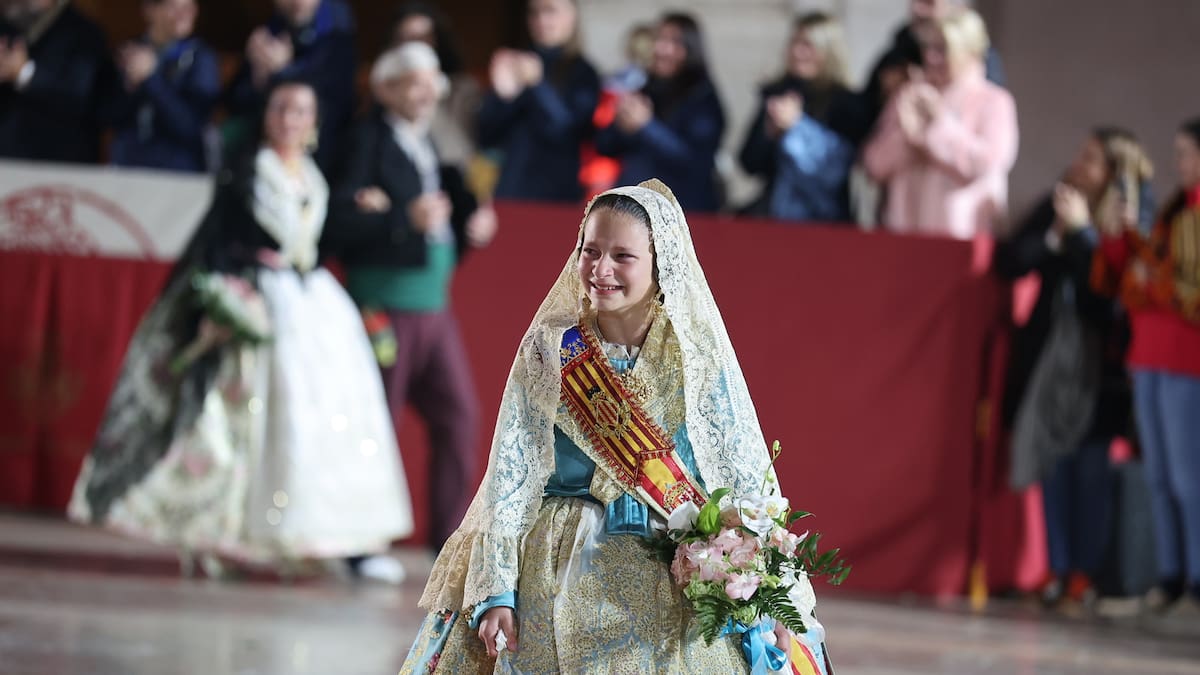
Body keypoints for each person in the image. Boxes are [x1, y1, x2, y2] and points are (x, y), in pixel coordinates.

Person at [399, 179, 833, 673]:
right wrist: (497, 589)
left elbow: (740, 470)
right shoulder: (550, 348)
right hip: (560, 561)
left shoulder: (696, 356)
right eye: (590, 251)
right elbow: (510, 475)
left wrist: (773, 591)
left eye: (622, 256)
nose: (600, 269)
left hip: (671, 565)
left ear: (660, 263)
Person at [67, 78, 413, 580]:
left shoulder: (313, 174)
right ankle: (229, 535)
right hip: (260, 297)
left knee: (330, 417)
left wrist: (373, 215)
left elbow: (320, 238)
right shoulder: (248, 169)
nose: (290, 119)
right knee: (248, 422)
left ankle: (340, 539)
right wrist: (219, 300)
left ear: (314, 122)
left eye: (301, 111)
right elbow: (219, 237)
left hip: (311, 301)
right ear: (266, 115)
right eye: (281, 108)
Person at [327, 43, 497, 550]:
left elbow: (445, 219)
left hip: (433, 309)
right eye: (414, 82)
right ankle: (359, 541)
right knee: (374, 422)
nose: (426, 93)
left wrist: (473, 226)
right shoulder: (364, 141)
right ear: (386, 89)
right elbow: (338, 223)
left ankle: (448, 543)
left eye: (431, 83)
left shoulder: (431, 144)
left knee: (459, 417)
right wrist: (401, 218)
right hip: (383, 306)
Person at [994, 128, 1154, 607]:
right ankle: (1057, 569)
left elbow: (1102, 301)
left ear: (1113, 172)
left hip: (1101, 373)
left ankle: (1085, 573)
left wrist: (1084, 236)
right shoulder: (1059, 205)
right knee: (1052, 466)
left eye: (1091, 159)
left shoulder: (1129, 223)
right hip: (1050, 365)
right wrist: (1056, 236)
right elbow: (1011, 261)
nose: (1079, 164)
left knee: (1089, 473)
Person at [1092, 117, 1200, 616]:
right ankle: (1170, 578)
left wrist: (1149, 278)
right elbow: (1137, 272)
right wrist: (1123, 236)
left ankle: (1195, 583)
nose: (1179, 162)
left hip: (1185, 358)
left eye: (1186, 152)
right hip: (1151, 355)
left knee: (1188, 477)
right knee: (1159, 475)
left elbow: (1179, 286)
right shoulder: (1177, 210)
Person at [861, 7, 1017, 239]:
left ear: (970, 51)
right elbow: (873, 164)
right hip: (902, 237)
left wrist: (936, 129)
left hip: (961, 239)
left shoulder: (993, 101)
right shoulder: (910, 96)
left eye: (942, 49)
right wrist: (908, 139)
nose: (931, 57)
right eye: (927, 47)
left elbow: (985, 164)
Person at [737, 12, 865, 222]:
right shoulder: (777, 93)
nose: (798, 52)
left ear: (828, 51)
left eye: (807, 45)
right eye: (794, 43)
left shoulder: (847, 103)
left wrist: (797, 127)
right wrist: (770, 134)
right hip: (776, 217)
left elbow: (835, 171)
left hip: (826, 222)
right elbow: (749, 163)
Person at [595, 13, 725, 213]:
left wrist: (646, 126)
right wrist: (621, 125)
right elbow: (604, 145)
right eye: (657, 39)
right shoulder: (644, 89)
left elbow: (693, 161)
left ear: (691, 48)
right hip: (635, 211)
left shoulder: (703, 99)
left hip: (683, 213)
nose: (660, 49)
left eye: (673, 42)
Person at [476, 0, 599, 203]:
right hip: (511, 191)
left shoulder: (584, 72)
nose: (541, 20)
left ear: (572, 15)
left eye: (551, 11)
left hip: (559, 194)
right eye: (534, 13)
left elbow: (568, 132)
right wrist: (502, 97)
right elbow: (486, 138)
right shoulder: (516, 64)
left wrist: (537, 85)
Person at [225, 0, 356, 170]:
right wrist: (258, 74)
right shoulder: (269, 34)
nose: (297, 2)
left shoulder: (336, 36)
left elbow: (333, 101)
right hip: (263, 150)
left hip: (322, 150)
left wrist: (284, 71)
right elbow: (234, 102)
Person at [109, 0, 220, 173]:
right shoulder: (130, 51)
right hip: (128, 167)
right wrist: (130, 87)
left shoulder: (201, 58)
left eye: (188, 7)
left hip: (177, 172)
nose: (183, 14)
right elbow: (108, 116)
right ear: (149, 10)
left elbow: (191, 127)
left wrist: (151, 79)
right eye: (173, 7)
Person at [0, 0, 118, 163]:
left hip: (61, 161)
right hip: (8, 158)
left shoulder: (85, 33)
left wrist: (24, 72)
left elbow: (80, 94)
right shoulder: (8, 26)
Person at [861, 0, 1005, 131]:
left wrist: (935, 121)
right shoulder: (900, 49)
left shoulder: (983, 68)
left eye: (928, 2)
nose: (917, 9)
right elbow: (865, 112)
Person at [387, 1, 481, 172]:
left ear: (437, 40)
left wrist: (430, 91)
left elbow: (463, 151)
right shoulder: (385, 89)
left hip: (453, 176)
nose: (414, 44)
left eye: (422, 37)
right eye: (405, 37)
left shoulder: (462, 89)